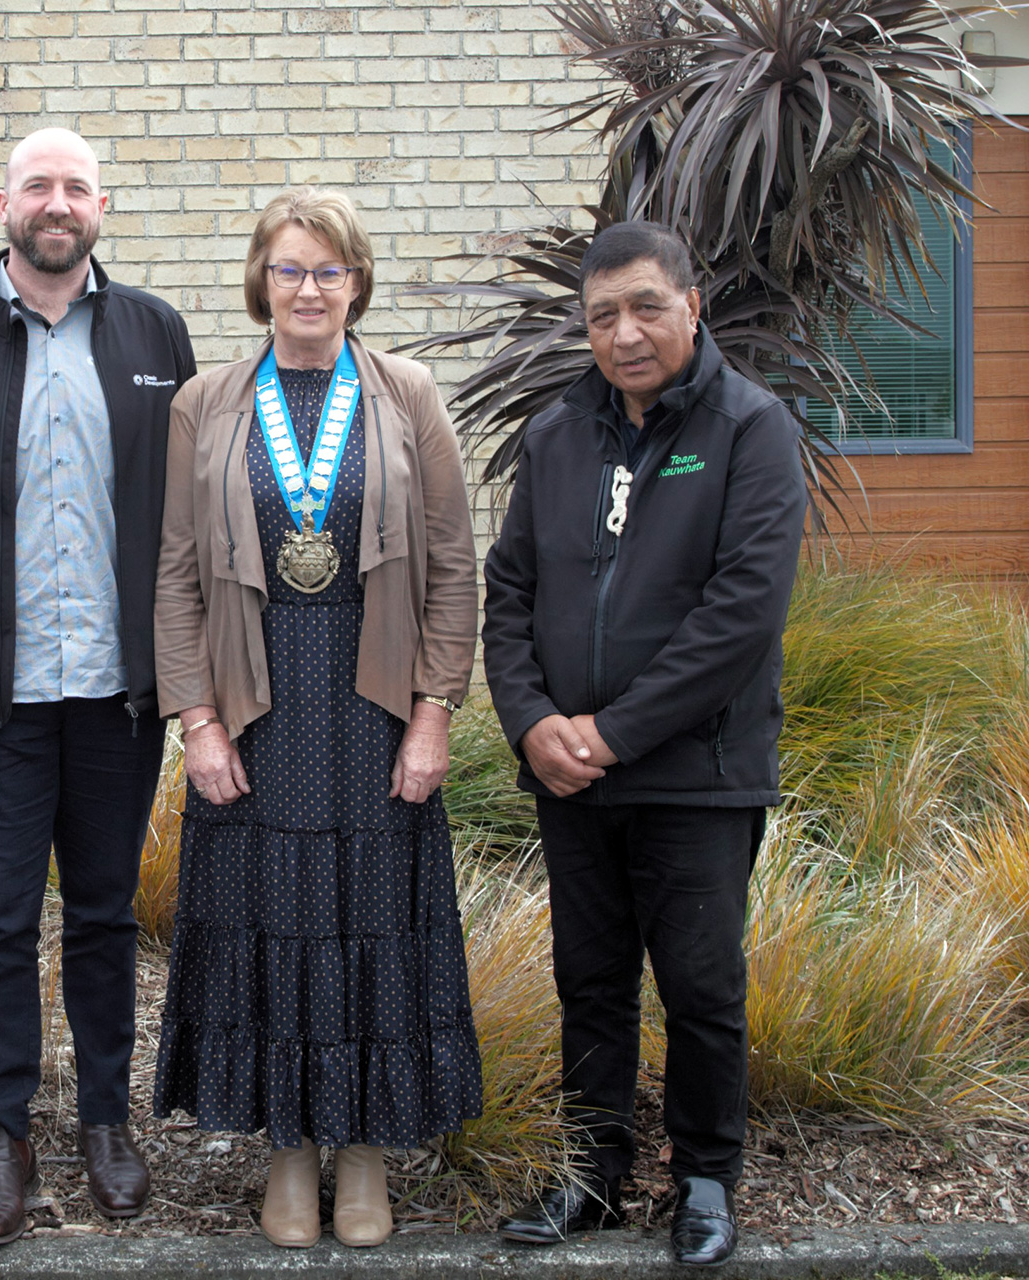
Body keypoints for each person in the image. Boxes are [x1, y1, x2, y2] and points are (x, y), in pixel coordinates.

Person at [0, 127, 196, 1245]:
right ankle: (1, 1130)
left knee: (106, 915)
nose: (56, 204)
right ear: (1, 201)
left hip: (119, 693)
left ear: (101, 205)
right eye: (36, 186)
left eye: (75, 187)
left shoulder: (156, 332)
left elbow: (187, 500)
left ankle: (105, 1117)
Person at [151, 186, 483, 1249]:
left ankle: (368, 1157)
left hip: (370, 698)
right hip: (257, 703)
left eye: (328, 270)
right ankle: (290, 1153)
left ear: (357, 282)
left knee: (370, 918)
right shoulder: (205, 401)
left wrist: (434, 713)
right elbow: (175, 577)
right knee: (273, 920)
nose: (308, 288)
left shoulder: (407, 393)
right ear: (261, 280)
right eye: (289, 268)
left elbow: (449, 568)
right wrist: (197, 721)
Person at [482, 220, 806, 1267]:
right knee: (591, 977)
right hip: (571, 774)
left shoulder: (752, 430)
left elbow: (741, 614)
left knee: (703, 985)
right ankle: (594, 1168)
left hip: (698, 772)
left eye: (645, 307)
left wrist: (610, 733)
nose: (625, 333)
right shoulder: (556, 433)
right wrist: (532, 721)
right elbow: (510, 591)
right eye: (603, 315)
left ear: (692, 303)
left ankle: (706, 1176)